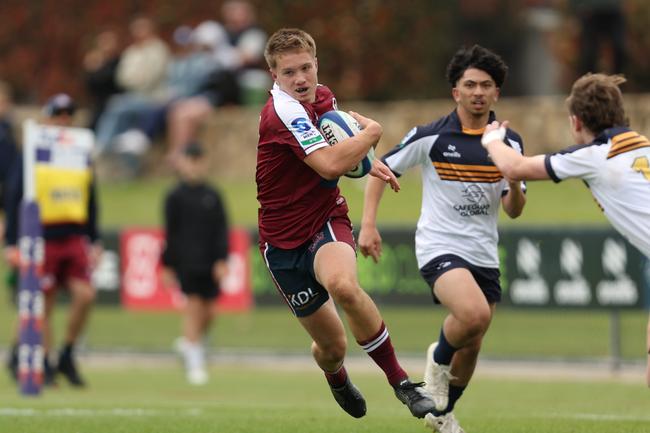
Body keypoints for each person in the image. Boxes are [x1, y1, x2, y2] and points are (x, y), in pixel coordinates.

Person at [256, 28, 435, 420]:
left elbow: (340, 149)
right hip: (282, 243)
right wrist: (373, 134)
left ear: (316, 64)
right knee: (332, 346)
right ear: (274, 77)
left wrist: (372, 162)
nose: (301, 79)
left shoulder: (324, 98)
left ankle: (402, 384)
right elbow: (332, 163)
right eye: (289, 73)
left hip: (325, 218)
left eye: (306, 68)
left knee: (344, 286)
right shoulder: (281, 114)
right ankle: (336, 377)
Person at [359, 45, 526, 433]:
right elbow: (378, 169)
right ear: (456, 92)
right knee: (474, 316)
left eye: (487, 85)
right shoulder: (431, 136)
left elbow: (514, 209)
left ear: (497, 93)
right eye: (470, 84)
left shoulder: (508, 142)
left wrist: (515, 179)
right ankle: (437, 360)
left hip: (484, 253)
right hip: (440, 246)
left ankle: (442, 412)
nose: (478, 92)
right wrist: (368, 225)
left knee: (474, 340)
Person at [479, 72, 650, 387]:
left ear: (575, 123)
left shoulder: (596, 155)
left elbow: (515, 167)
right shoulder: (642, 147)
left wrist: (491, 140)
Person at [4, 93, 101, 387]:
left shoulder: (79, 152)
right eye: (58, 115)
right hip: (42, 234)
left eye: (68, 115)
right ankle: (41, 360)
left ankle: (66, 353)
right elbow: (14, 196)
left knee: (85, 295)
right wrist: (12, 241)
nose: (63, 121)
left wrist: (93, 238)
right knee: (42, 302)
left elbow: (90, 197)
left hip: (72, 233)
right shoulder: (34, 151)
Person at [161, 142, 229, 386]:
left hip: (210, 262)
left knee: (210, 311)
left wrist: (222, 259)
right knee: (193, 308)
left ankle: (189, 345)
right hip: (186, 262)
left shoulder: (213, 194)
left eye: (198, 161)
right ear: (182, 164)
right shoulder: (174, 196)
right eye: (189, 161)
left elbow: (222, 229)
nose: (194, 166)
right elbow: (170, 232)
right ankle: (195, 362)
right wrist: (167, 265)